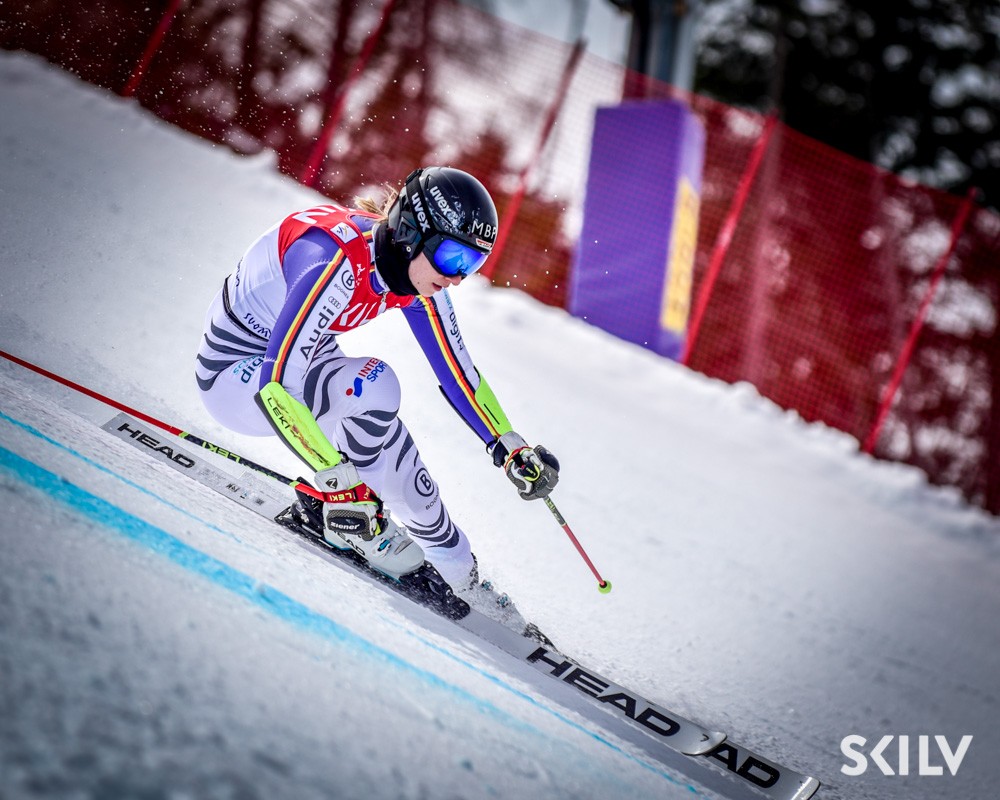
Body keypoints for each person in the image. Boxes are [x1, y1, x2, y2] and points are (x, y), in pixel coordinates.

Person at [195, 166, 559, 596]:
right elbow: (275, 386)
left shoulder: (415, 276)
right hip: (236, 375)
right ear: (410, 232)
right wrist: (338, 483)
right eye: (452, 257)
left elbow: (457, 371)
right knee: (374, 385)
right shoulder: (334, 261)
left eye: (472, 263)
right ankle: (341, 520)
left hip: (300, 365)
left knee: (393, 448)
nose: (458, 278)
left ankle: (458, 570)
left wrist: (509, 445)